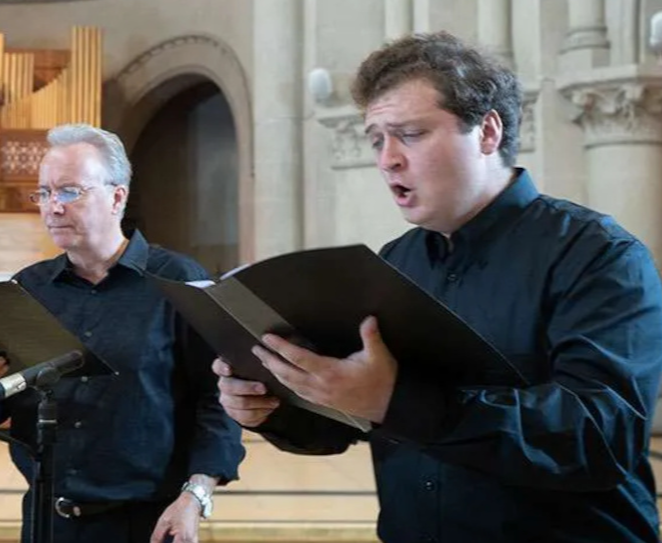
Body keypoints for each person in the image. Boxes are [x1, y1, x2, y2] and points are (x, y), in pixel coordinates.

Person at [212, 31, 662, 543]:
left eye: (410, 133)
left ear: (488, 132)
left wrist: (396, 400)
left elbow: (600, 436)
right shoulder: (396, 262)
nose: (387, 159)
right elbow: (350, 419)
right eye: (377, 139)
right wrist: (276, 407)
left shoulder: (597, 254)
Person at [0, 123, 245, 543]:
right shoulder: (27, 289)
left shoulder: (180, 281)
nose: (51, 207)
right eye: (43, 192)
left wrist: (196, 494)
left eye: (69, 191)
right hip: (47, 520)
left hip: (149, 523)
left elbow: (218, 399)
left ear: (118, 196)